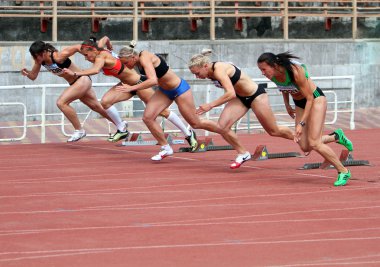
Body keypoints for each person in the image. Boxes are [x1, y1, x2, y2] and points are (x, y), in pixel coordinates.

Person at [116, 41, 249, 168]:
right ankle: (166, 148)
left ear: (133, 57)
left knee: (196, 123)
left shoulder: (144, 57)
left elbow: (153, 80)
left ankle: (225, 132)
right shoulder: (137, 62)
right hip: (165, 91)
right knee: (148, 118)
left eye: (127, 63)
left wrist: (131, 88)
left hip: (180, 89)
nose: (126, 66)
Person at [62, 36, 196, 146]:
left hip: (138, 83)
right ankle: (122, 128)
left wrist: (75, 74)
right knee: (105, 102)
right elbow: (106, 38)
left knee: (162, 111)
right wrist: (110, 45)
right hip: (126, 85)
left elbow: (95, 70)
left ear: (92, 49)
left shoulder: (100, 57)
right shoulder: (100, 48)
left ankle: (188, 134)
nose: (86, 58)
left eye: (86, 55)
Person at [257, 51, 354, 186]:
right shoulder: (273, 75)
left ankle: (343, 171)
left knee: (315, 143)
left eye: (263, 69)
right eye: (260, 70)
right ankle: (336, 137)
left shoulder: (295, 72)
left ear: (274, 65)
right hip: (299, 103)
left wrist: (301, 124)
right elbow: (284, 88)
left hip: (315, 99)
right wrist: (287, 105)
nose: (262, 73)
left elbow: (309, 98)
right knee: (305, 146)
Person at [187, 49, 295, 152]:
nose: (197, 77)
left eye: (197, 73)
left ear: (205, 66)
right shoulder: (208, 72)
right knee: (222, 127)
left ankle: (298, 138)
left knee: (273, 131)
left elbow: (230, 93)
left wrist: (210, 105)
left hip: (255, 96)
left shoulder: (218, 70)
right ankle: (243, 153)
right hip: (240, 98)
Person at [21, 40, 115, 142]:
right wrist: (27, 73)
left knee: (61, 102)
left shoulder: (58, 56)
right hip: (75, 83)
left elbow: (77, 47)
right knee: (97, 107)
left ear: (43, 53)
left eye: (36, 56)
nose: (35, 59)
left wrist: (94, 56)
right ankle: (121, 126)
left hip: (81, 79)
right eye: (33, 57)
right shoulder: (40, 61)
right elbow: (33, 76)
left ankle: (79, 130)